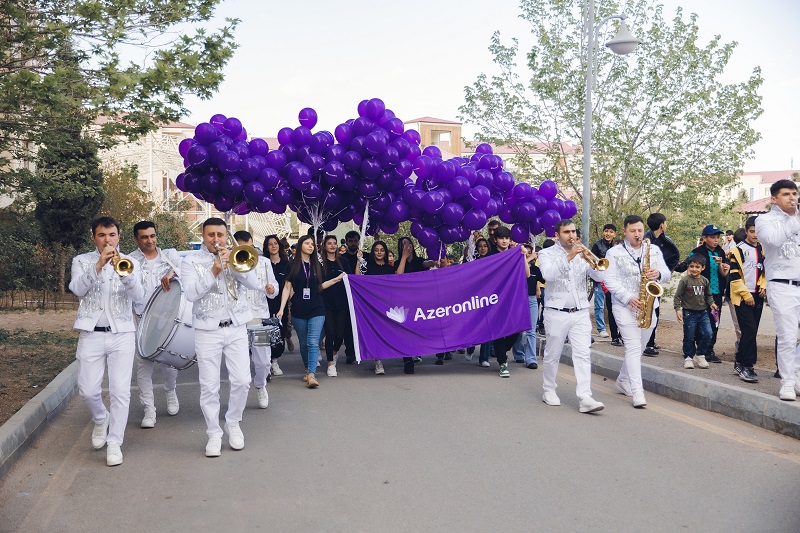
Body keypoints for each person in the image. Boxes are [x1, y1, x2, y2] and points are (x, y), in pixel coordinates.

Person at [69, 216, 145, 466]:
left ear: (118, 236)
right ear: (94, 237)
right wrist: (99, 265)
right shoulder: (81, 261)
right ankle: (101, 418)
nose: (107, 239)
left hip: (122, 334)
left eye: (112, 234)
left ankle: (115, 443)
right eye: (102, 235)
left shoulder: (131, 262)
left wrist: (125, 274)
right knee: (88, 390)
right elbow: (77, 289)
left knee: (120, 391)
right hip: (91, 333)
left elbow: (139, 296)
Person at [181, 218, 260, 457]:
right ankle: (213, 433)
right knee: (209, 386)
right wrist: (214, 270)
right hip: (207, 330)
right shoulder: (190, 262)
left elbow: (254, 283)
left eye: (220, 234)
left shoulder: (235, 254)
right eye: (211, 235)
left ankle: (233, 422)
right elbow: (191, 294)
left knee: (242, 381)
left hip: (236, 326)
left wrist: (234, 265)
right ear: (203, 236)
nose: (216, 239)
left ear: (226, 236)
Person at [603, 215, 671, 408]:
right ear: (625, 231)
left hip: (648, 305)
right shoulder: (614, 253)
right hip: (624, 306)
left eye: (640, 230)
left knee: (639, 348)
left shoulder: (653, 250)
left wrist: (658, 273)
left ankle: (623, 380)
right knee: (633, 347)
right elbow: (609, 279)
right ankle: (638, 392)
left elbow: (667, 273)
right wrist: (628, 297)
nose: (637, 234)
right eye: (633, 231)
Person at [538, 220, 605, 413]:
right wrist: (569, 257)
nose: (571, 235)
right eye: (566, 232)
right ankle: (549, 390)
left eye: (573, 231)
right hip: (556, 312)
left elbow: (600, 278)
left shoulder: (583, 253)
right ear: (557, 235)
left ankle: (585, 397)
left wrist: (594, 265)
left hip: (581, 312)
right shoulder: (546, 254)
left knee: (583, 354)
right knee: (553, 354)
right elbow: (548, 275)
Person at [128, 220, 182, 428]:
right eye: (144, 237)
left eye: (152, 236)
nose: (149, 240)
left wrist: (171, 272)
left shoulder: (170, 256)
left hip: (166, 318)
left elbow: (186, 272)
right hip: (141, 318)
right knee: (144, 364)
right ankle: (149, 409)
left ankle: (170, 391)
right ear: (136, 239)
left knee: (168, 361)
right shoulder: (129, 260)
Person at [276, 235, 345, 388]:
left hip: (317, 308)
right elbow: (287, 288)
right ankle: (307, 369)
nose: (310, 246)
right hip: (298, 309)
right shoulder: (292, 266)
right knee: (303, 343)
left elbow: (320, 287)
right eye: (307, 243)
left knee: (313, 342)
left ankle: (312, 375)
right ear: (300, 245)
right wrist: (281, 309)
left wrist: (336, 279)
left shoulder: (317, 266)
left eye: (312, 244)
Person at [755, 179, 800, 401]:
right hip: (782, 285)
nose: (792, 198)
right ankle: (788, 383)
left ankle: (796, 374)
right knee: (788, 337)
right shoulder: (764, 220)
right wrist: (794, 218)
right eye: (786, 194)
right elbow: (773, 240)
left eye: (794, 193)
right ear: (774, 198)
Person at [234, 231, 278, 408]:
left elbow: (274, 286)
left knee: (264, 361)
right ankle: (240, 395)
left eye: (250, 246)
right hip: (238, 320)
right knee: (240, 361)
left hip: (259, 318)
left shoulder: (264, 262)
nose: (248, 250)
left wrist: (272, 289)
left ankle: (260, 385)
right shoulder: (230, 263)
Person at [674, 224, 730, 362]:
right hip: (698, 293)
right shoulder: (697, 252)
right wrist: (670, 263)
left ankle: (708, 350)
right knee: (696, 323)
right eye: (712, 237)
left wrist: (723, 265)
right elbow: (684, 266)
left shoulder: (721, 252)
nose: (716, 240)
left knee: (713, 322)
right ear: (704, 238)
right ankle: (692, 350)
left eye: (718, 237)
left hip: (716, 294)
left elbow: (725, 272)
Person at [485, 226, 529, 378]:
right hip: (495, 300)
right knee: (499, 332)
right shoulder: (490, 256)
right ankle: (502, 363)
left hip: (513, 298)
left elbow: (527, 274)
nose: (504, 241)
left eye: (506, 238)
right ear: (495, 240)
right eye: (501, 238)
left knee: (516, 330)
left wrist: (523, 256)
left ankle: (502, 351)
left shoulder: (515, 254)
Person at [727, 217, 766, 383]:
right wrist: (746, 295)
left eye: (758, 231)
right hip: (743, 296)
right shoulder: (738, 250)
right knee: (749, 329)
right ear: (746, 231)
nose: (755, 235)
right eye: (752, 231)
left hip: (758, 296)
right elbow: (734, 277)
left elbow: (766, 271)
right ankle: (747, 366)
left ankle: (739, 360)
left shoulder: (763, 249)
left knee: (751, 331)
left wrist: (763, 285)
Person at [642, 213, 681, 356]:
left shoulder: (663, 239)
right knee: (646, 312)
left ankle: (650, 341)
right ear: (661, 225)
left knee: (654, 312)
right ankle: (646, 343)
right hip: (644, 282)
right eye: (666, 222)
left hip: (655, 281)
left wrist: (664, 272)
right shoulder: (646, 240)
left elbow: (672, 257)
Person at [394, 236, 434, 373]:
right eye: (403, 245)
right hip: (404, 302)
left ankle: (417, 351)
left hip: (420, 301)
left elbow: (427, 264)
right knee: (405, 331)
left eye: (409, 244)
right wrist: (404, 258)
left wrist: (434, 261)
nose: (407, 247)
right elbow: (399, 275)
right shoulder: (398, 262)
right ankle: (407, 360)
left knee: (418, 329)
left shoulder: (419, 261)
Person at [320, 235, 355, 377]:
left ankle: (334, 352)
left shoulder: (343, 261)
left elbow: (351, 279)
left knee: (340, 335)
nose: (333, 245)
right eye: (329, 243)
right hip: (326, 303)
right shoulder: (320, 263)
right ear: (325, 246)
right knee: (330, 333)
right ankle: (330, 364)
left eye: (334, 243)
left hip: (342, 303)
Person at [673, 255, 715, 370]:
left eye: (697, 267)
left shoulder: (704, 281)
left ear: (703, 268)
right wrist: (678, 309)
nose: (694, 269)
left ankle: (700, 354)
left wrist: (712, 303)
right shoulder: (685, 280)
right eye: (691, 266)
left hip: (703, 313)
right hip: (689, 313)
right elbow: (677, 296)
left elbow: (708, 295)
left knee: (708, 333)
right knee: (689, 337)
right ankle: (688, 357)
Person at [363, 240, 395, 374]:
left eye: (382, 250)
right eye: (376, 250)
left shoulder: (390, 268)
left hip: (386, 304)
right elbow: (358, 278)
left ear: (385, 252)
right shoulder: (368, 268)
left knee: (386, 331)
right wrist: (358, 262)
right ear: (373, 252)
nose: (379, 252)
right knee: (374, 333)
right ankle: (378, 361)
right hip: (372, 305)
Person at [511, 243, 542, 369]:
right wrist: (526, 259)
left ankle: (531, 359)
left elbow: (541, 279)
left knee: (531, 330)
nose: (527, 254)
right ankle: (518, 354)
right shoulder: (515, 267)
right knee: (518, 330)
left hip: (532, 300)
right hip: (518, 300)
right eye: (525, 252)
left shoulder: (535, 269)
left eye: (529, 252)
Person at [264, 234, 290, 375]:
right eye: (270, 244)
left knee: (280, 333)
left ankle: (274, 361)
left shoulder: (287, 265)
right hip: (264, 305)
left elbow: (289, 287)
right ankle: (265, 363)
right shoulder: (263, 263)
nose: (273, 246)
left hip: (281, 305)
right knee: (264, 335)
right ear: (266, 247)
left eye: (275, 243)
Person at [591, 223, 616, 338]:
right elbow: (592, 261)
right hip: (599, 278)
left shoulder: (616, 246)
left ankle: (615, 330)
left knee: (615, 305)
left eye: (611, 232)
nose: (608, 234)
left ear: (614, 234)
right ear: (603, 232)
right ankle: (601, 329)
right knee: (599, 305)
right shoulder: (597, 245)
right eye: (606, 231)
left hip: (613, 279)